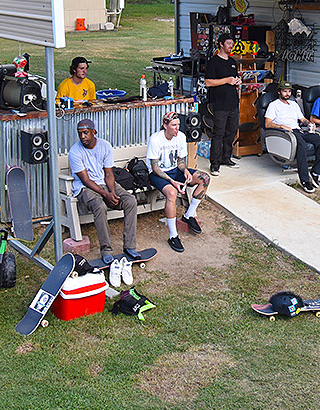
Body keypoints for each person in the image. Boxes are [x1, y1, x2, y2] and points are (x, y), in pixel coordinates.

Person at [67, 118, 141, 263]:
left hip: (105, 183)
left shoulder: (105, 145)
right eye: (80, 133)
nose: (83, 137)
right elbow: (86, 180)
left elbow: (109, 173)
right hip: (84, 188)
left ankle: (130, 246)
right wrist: (106, 194)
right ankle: (106, 249)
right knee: (99, 206)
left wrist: (112, 192)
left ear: (94, 132)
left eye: (86, 133)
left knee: (130, 201)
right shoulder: (75, 152)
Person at [146, 111, 210, 252]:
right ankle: (173, 236)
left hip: (175, 170)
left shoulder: (180, 136)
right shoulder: (155, 139)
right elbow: (155, 167)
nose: (177, 128)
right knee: (172, 193)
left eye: (178, 125)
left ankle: (188, 215)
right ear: (165, 125)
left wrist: (185, 170)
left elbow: (181, 161)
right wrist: (172, 181)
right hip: (158, 174)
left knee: (204, 179)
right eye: (174, 125)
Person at [264, 81, 320, 193]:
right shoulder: (273, 105)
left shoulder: (294, 104)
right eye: (284, 91)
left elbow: (302, 119)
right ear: (279, 92)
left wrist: (309, 124)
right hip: (287, 133)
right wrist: (281, 126)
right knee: (301, 145)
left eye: (289, 91)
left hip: (299, 130)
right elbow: (267, 124)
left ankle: (315, 172)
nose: (287, 94)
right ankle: (305, 180)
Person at [203, 34, 241, 175]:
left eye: (232, 43)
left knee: (231, 131)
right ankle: (215, 164)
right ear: (221, 44)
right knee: (218, 133)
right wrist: (226, 80)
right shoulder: (213, 62)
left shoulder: (232, 61)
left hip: (233, 102)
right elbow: (208, 82)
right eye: (229, 43)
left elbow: (233, 79)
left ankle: (227, 158)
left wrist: (236, 81)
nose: (231, 46)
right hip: (219, 103)